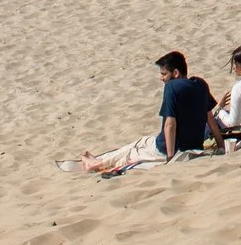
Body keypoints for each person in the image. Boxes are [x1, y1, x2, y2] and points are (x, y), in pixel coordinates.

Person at [69, 52, 217, 174]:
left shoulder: (172, 87)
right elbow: (210, 118)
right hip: (192, 144)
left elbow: (170, 125)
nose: (162, 78)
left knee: (131, 154)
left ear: (176, 73)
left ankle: (96, 164)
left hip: (166, 149)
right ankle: (98, 160)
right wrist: (222, 145)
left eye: (164, 74)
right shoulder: (200, 84)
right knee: (140, 142)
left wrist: (171, 158)